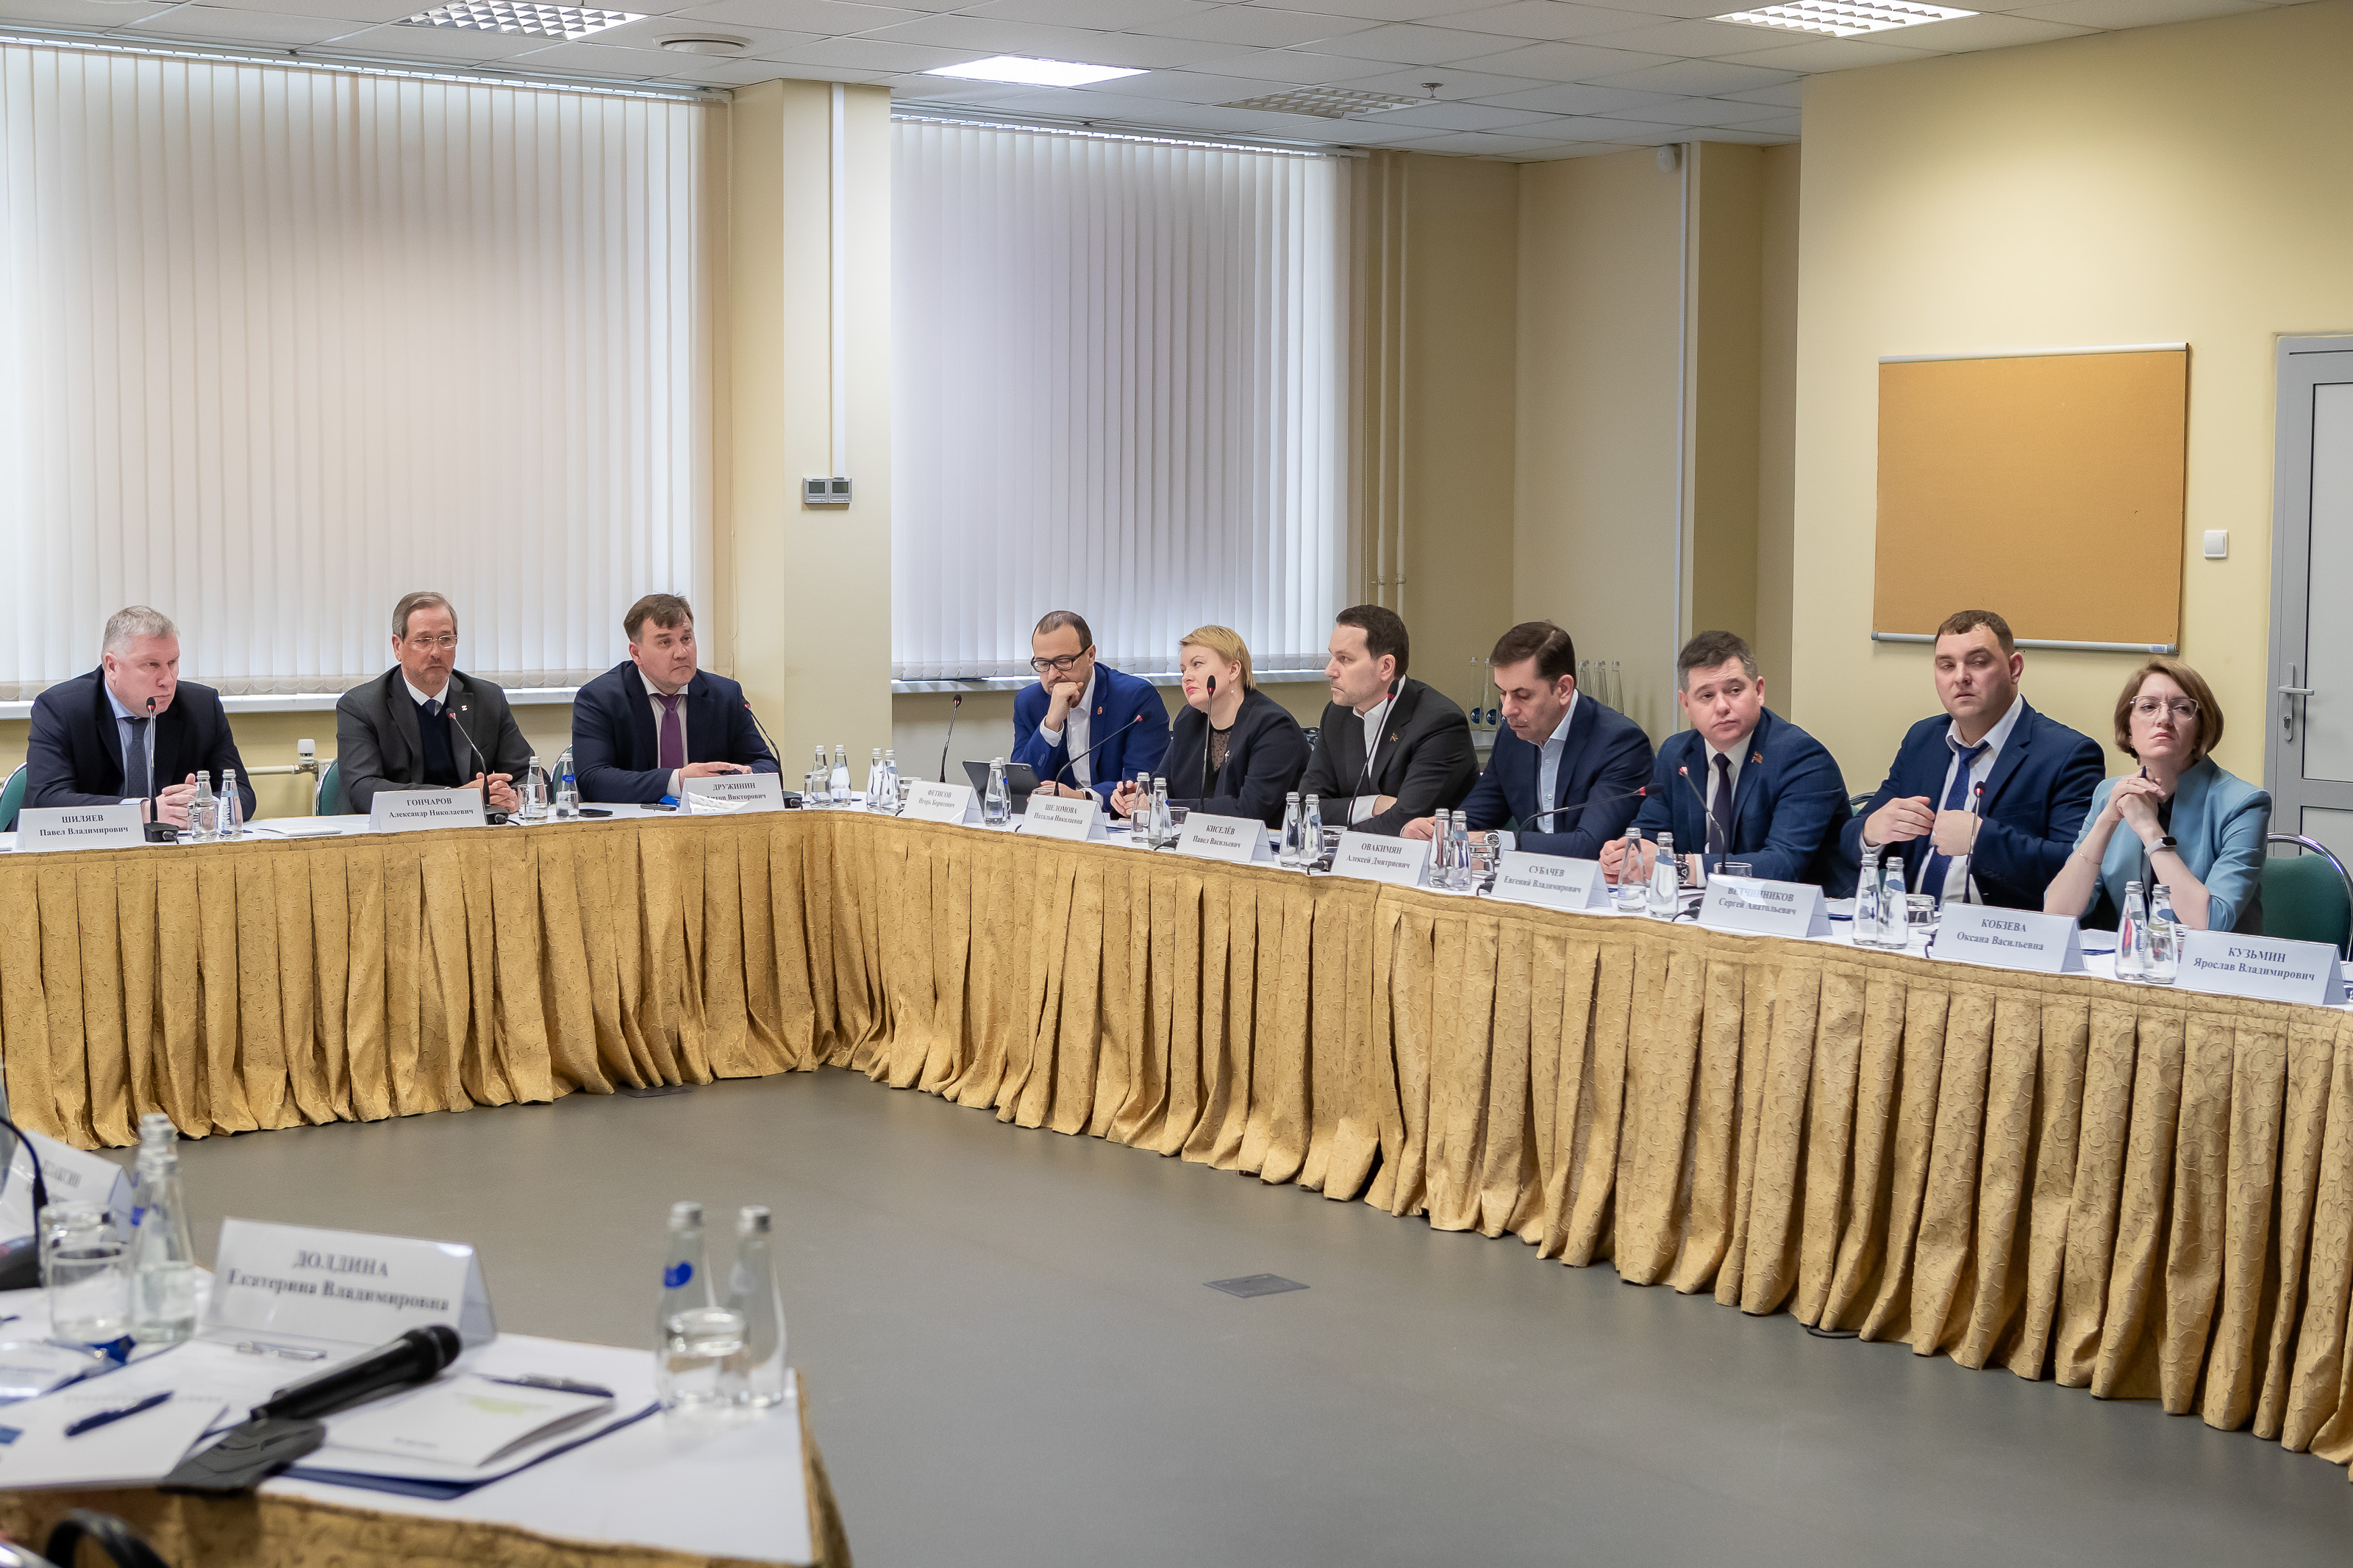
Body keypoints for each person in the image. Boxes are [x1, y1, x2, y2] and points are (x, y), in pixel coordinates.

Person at [1837, 610, 2104, 909]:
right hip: (1911, 923)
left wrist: (1983, 841)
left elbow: (2078, 868)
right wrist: (1872, 832)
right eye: (1947, 665)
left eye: (1977, 662)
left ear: (2014, 669)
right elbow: (1847, 841)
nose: (1960, 677)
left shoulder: (2067, 753)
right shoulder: (1923, 739)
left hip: (2000, 929)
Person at [1604, 630, 1848, 889]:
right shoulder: (1676, 754)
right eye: (1706, 696)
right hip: (1699, 905)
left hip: (1799, 909)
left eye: (1734, 690)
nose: (1721, 706)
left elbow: (1783, 864)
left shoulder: (1802, 758)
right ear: (1686, 705)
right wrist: (1626, 855)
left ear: (1759, 690)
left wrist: (1679, 867)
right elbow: (1650, 834)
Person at [2043, 658, 2267, 932]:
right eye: (2148, 707)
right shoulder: (2108, 794)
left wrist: (2149, 830)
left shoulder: (2244, 804)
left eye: (2181, 708)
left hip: (2214, 958)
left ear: (2200, 731)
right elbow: (2057, 913)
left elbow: (2210, 924)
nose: (2163, 719)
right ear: (2128, 729)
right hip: (2132, 956)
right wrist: (2106, 822)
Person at [1405, 620, 1649, 858]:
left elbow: (1589, 845)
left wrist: (1499, 841)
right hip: (1526, 877)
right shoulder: (1511, 736)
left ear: (1563, 689)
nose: (1507, 710)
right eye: (1503, 693)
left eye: (1522, 695)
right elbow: (1476, 818)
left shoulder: (1621, 743)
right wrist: (1437, 832)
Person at [25, 606, 255, 827]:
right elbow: (46, 799)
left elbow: (242, 794)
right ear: (112, 666)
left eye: (172, 662)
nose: (167, 679)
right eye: (151, 665)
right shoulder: (60, 708)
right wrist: (144, 811)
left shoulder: (201, 707)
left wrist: (206, 806)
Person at [570, 593, 781, 803]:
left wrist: (743, 776)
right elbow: (592, 780)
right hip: (635, 820)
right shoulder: (599, 698)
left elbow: (769, 768)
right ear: (636, 653)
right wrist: (678, 781)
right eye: (665, 642)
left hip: (708, 818)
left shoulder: (725, 695)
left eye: (686, 639)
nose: (681, 653)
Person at [335, 591, 532, 815]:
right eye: (424, 640)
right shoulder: (361, 706)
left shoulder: (488, 698)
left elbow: (530, 774)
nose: (436, 652)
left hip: (471, 830)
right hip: (396, 830)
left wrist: (513, 796)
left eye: (446, 640)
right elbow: (362, 790)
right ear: (398, 647)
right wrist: (456, 797)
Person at [1299, 606, 1476, 837]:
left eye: (1344, 659)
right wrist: (1374, 805)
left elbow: (1406, 821)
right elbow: (1305, 808)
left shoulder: (1439, 722)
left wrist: (1339, 834)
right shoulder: (1337, 714)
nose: (1329, 671)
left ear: (1386, 667)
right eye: (1332, 656)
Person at [1109, 626, 1307, 829]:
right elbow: (1160, 785)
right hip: (1199, 840)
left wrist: (1159, 807)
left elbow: (1249, 811)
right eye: (1183, 670)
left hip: (1266, 846)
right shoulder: (1189, 719)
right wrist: (1135, 798)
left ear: (1233, 670)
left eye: (1197, 664)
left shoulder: (1273, 726)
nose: (1186, 677)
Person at [1010, 611, 1169, 806]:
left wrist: (1082, 797)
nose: (1052, 675)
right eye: (1043, 664)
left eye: (1063, 662)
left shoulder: (1136, 697)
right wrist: (1050, 725)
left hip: (1114, 819)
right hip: (1053, 819)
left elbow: (1141, 784)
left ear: (1090, 655)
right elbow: (1022, 785)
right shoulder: (1028, 702)